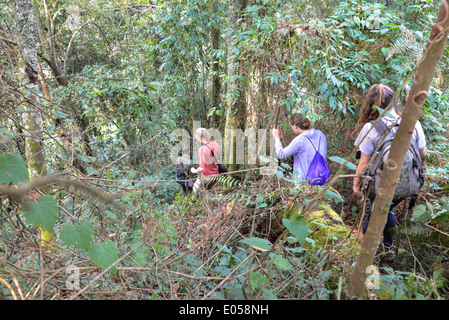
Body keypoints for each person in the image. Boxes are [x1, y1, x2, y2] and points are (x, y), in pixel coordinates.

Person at [353, 84, 427, 261]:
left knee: (373, 213)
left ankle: (366, 256)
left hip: (380, 185)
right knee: (389, 209)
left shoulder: (371, 127)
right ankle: (388, 249)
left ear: (370, 104)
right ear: (394, 102)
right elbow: (422, 154)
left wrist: (356, 185)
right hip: (408, 185)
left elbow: (363, 162)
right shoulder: (412, 123)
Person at [272, 113, 327, 182]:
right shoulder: (320, 134)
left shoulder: (300, 140)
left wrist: (277, 137)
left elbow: (281, 154)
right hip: (321, 178)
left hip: (304, 183)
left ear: (294, 126)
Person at [191, 128, 219, 194]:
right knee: (208, 189)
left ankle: (197, 203)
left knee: (195, 188)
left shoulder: (202, 149)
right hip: (216, 175)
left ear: (199, 138)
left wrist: (194, 171)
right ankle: (212, 200)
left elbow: (202, 168)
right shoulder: (216, 144)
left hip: (207, 177)